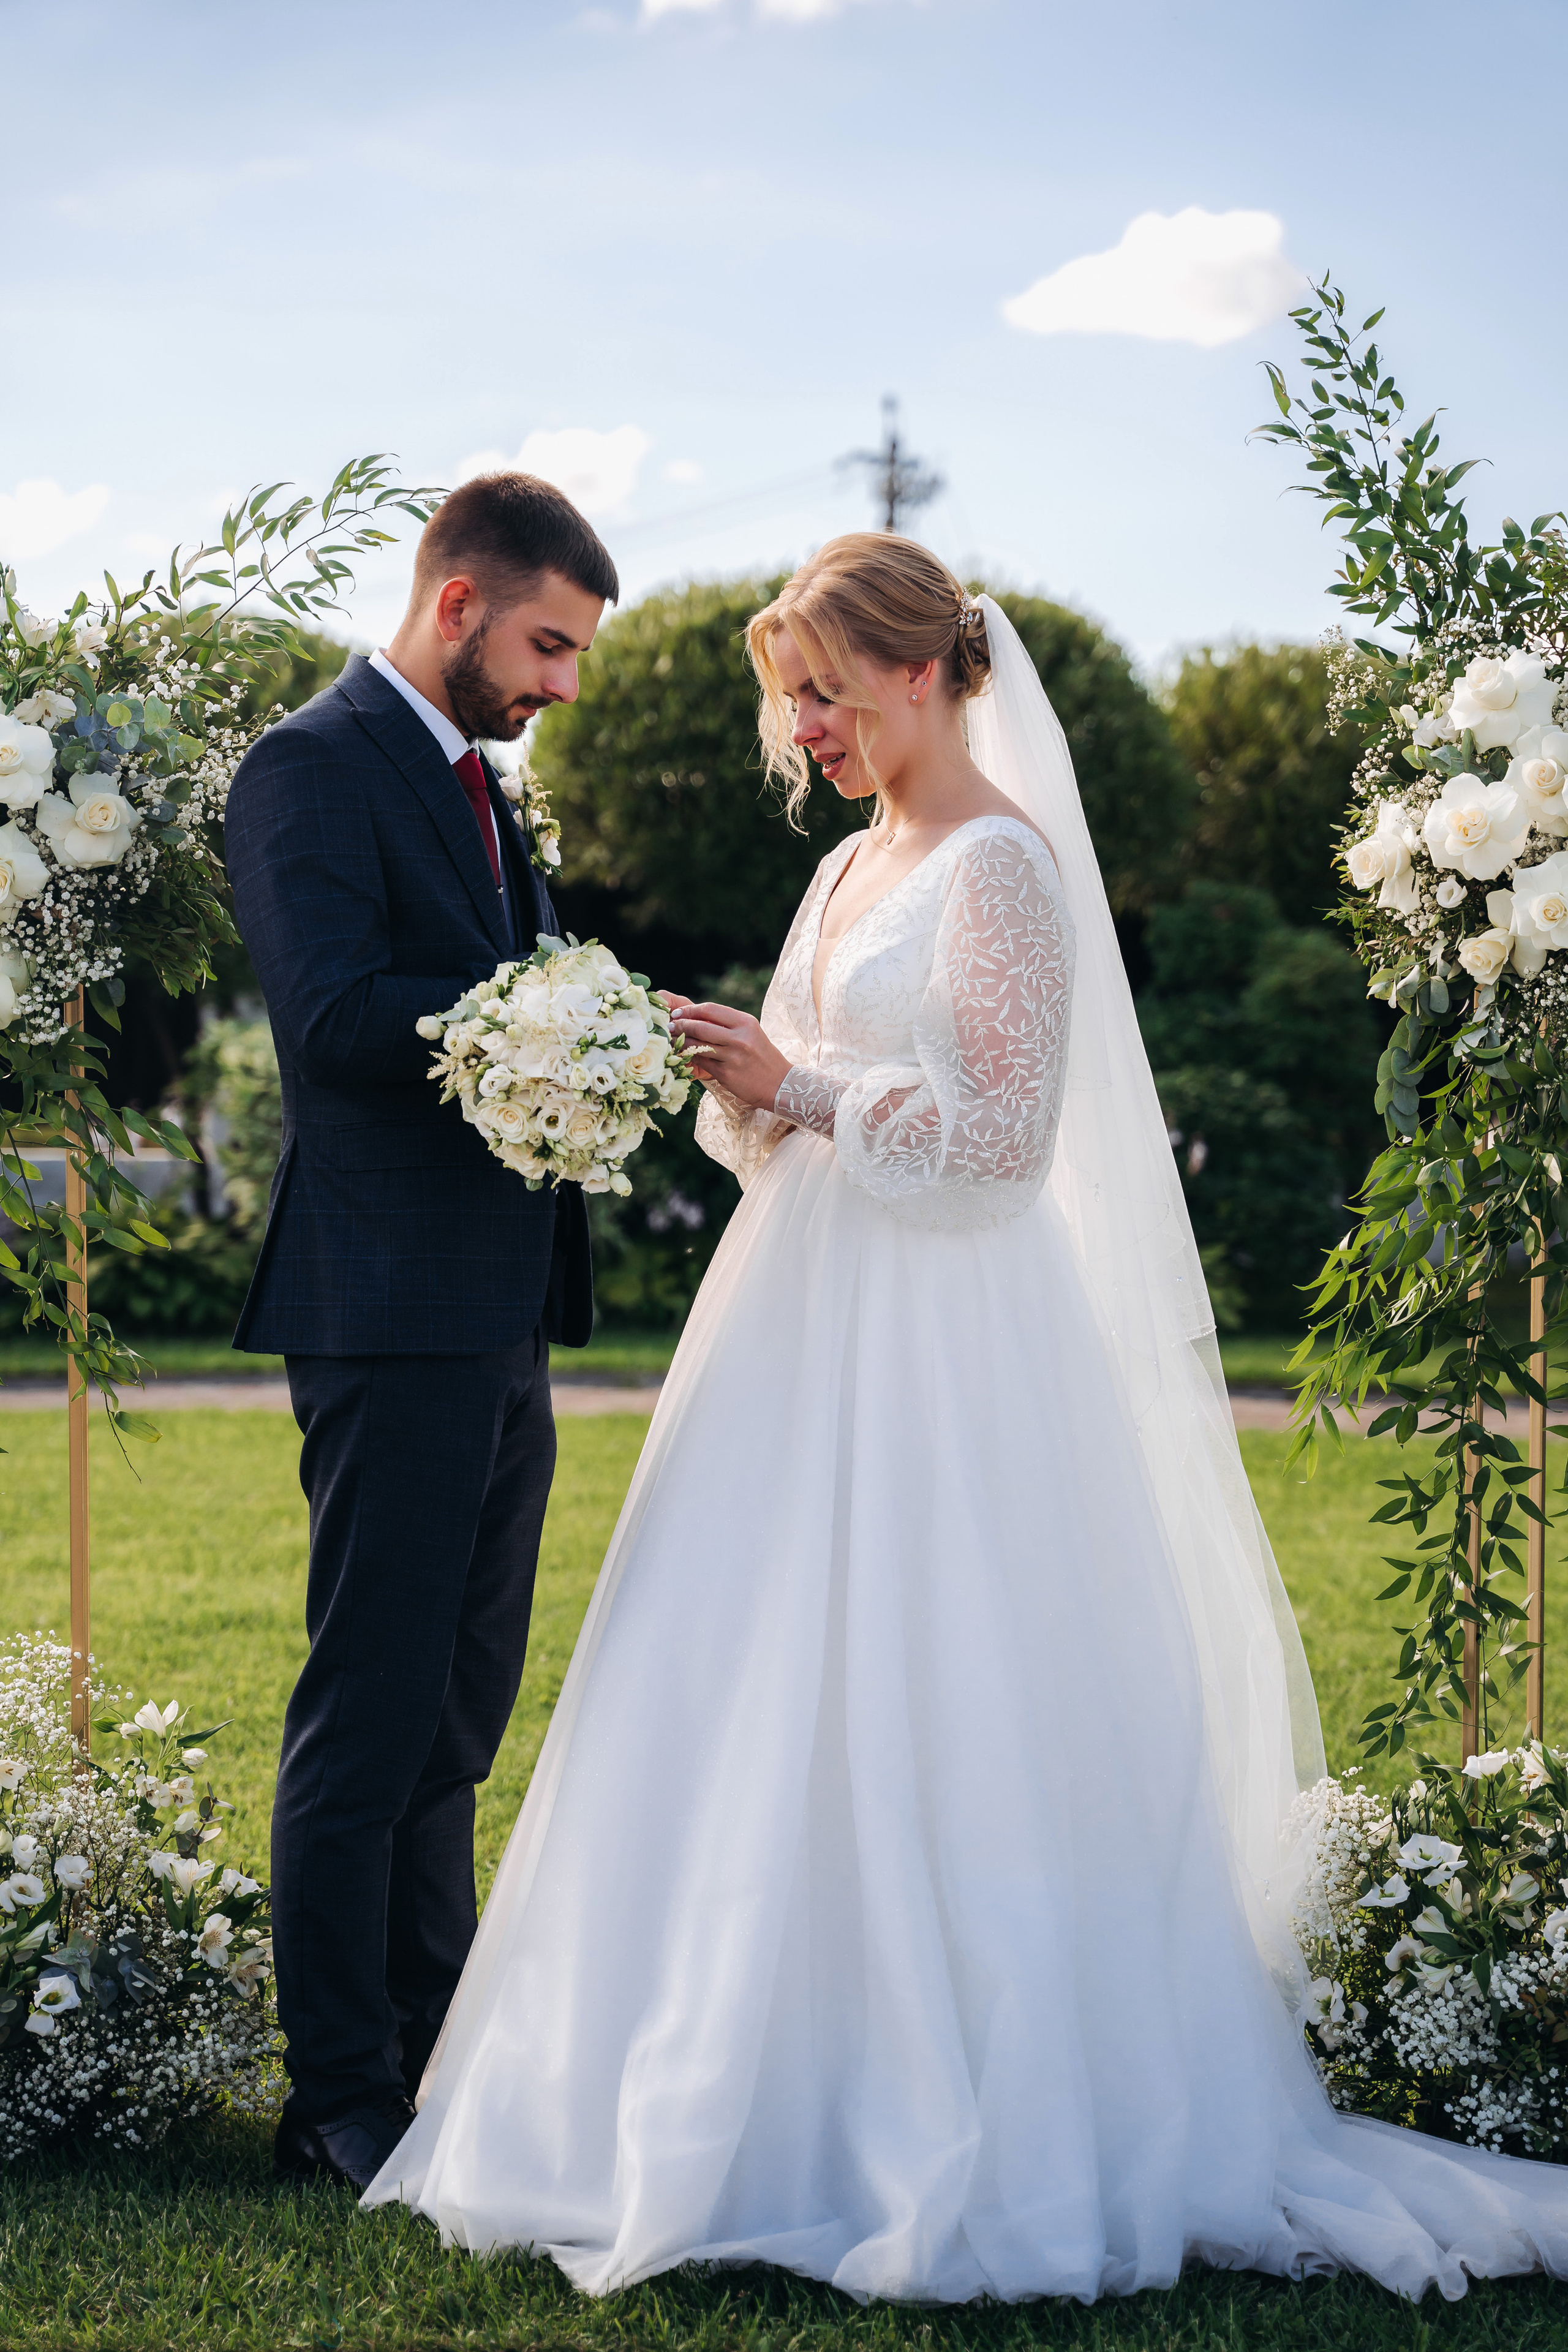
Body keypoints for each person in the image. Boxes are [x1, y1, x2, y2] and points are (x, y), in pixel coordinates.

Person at [365, 537, 1568, 2299]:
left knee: (950, 1687)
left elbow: (1005, 1142)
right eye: (792, 699)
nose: (807, 729)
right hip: (796, 1322)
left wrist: (811, 1086)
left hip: (954, 1342)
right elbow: (782, 1088)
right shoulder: (850, 869)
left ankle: (954, 2107)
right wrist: (723, 1084)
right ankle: (731, 2084)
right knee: (749, 1679)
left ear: (927, 673)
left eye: (827, 694)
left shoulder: (1003, 867)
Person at [224, 473, 616, 2192]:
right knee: (369, 1709)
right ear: (455, 604)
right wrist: (547, 1010)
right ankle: (336, 2096)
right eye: (547, 643)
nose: (561, 685)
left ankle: (438, 2042)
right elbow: (329, 1020)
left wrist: (584, 1012)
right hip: (385, 1308)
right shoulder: (310, 765)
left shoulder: (477, 789)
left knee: (459, 1708)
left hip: (496, 1309)